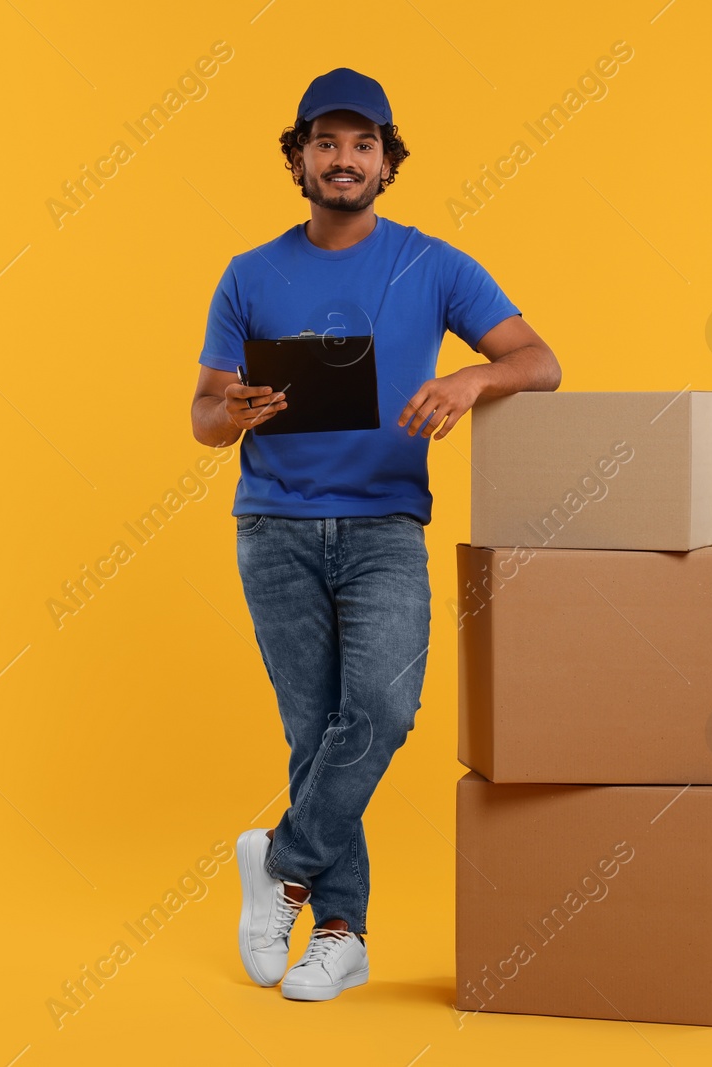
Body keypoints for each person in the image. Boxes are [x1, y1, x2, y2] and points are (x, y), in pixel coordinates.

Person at [189, 68, 562, 1001]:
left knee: (384, 713)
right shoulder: (248, 272)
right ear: (300, 159)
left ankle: (278, 858)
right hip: (273, 528)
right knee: (314, 733)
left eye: (364, 145)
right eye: (327, 142)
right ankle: (342, 933)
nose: (344, 159)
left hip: (387, 528)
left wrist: (472, 382)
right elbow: (201, 414)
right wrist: (231, 408)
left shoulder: (433, 264)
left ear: (388, 163)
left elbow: (539, 359)